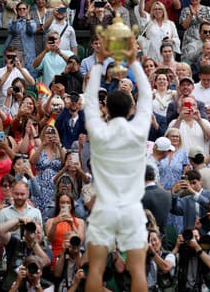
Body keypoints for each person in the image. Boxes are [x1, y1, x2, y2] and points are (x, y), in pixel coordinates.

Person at [82, 34, 151, 292]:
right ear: (130, 109)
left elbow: (89, 101)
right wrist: (134, 61)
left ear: (107, 110)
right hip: (132, 209)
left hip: (105, 209)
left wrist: (99, 64)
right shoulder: (138, 129)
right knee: (138, 272)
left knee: (96, 271)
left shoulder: (99, 132)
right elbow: (146, 95)